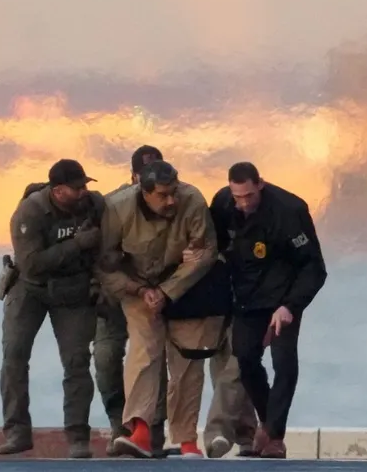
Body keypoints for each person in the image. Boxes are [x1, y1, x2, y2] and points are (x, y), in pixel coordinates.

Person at [94, 159, 225, 459]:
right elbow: (103, 264)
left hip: (185, 286)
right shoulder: (117, 208)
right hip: (137, 288)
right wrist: (140, 290)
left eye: (174, 192)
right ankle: (139, 430)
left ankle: (187, 441)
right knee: (143, 352)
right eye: (163, 195)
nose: (171, 200)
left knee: (188, 361)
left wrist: (168, 291)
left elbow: (205, 252)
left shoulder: (192, 199)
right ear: (144, 191)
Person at [209, 162, 327, 458]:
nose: (244, 203)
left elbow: (314, 267)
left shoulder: (290, 210)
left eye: (249, 195)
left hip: (284, 298)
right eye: (238, 197)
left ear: (260, 183)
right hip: (247, 297)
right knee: (245, 359)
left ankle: (275, 436)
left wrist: (290, 305)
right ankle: (267, 422)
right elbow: (215, 245)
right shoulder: (223, 203)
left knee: (283, 362)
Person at [0, 159, 106, 458]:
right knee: (14, 355)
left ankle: (78, 437)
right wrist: (77, 245)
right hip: (30, 288)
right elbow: (31, 264)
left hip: (73, 289)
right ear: (58, 191)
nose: (83, 191)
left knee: (77, 361)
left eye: (85, 185)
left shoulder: (94, 205)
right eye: (76, 187)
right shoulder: (30, 212)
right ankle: (17, 431)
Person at [95, 145, 169, 456]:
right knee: (106, 357)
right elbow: (99, 256)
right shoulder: (113, 205)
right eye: (143, 174)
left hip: (152, 293)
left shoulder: (172, 203)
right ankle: (119, 424)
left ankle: (152, 429)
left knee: (152, 359)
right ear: (133, 175)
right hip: (115, 294)